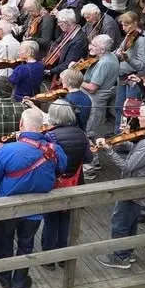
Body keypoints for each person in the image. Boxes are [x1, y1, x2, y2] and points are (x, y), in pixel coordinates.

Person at [0, 108, 67, 288]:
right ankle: (19, 282)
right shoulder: (54, 149)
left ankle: (4, 277)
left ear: (21, 124)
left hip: (7, 206)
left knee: (3, 241)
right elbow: (62, 168)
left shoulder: (9, 149)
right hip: (36, 208)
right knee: (26, 243)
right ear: (42, 127)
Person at [94, 103, 145, 269]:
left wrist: (108, 150)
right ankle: (126, 252)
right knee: (130, 221)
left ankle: (120, 257)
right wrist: (123, 143)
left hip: (135, 187)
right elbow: (138, 151)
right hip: (141, 187)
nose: (138, 117)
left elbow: (127, 166)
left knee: (121, 222)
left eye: (141, 116)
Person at [39, 101, 91, 264]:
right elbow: (88, 158)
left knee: (51, 220)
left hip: (55, 182)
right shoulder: (81, 134)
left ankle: (48, 258)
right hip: (74, 182)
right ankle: (63, 257)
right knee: (66, 220)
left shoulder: (50, 136)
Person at [81, 34, 119, 139]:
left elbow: (92, 88)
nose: (90, 47)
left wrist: (77, 81)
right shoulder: (111, 56)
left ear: (102, 49)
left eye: (94, 45)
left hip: (94, 100)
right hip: (98, 100)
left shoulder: (104, 63)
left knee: (89, 132)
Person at [45, 9, 88, 81]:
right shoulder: (68, 31)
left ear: (68, 22)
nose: (58, 24)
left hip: (68, 76)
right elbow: (55, 44)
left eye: (60, 22)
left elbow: (69, 63)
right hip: (59, 68)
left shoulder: (79, 40)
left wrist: (50, 71)